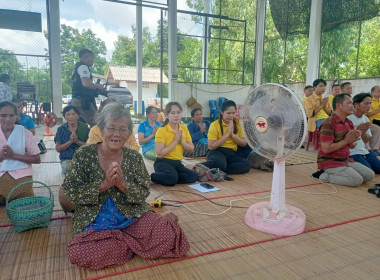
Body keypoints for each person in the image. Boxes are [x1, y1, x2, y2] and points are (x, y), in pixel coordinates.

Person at [62, 103, 189, 269]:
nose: (116, 134)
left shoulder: (134, 158)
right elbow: (71, 192)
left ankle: (121, 242)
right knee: (79, 252)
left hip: (130, 215)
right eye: (111, 128)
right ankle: (137, 242)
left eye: (123, 129)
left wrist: (122, 184)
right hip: (96, 219)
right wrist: (104, 185)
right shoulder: (84, 154)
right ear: (101, 130)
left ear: (129, 133)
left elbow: (143, 191)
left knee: (170, 235)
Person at [312, 94, 375, 187]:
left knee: (369, 175)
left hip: (345, 160)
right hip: (330, 161)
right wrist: (346, 141)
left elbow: (352, 145)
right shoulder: (328, 123)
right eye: (349, 103)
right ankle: (323, 175)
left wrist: (359, 133)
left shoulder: (348, 122)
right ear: (338, 105)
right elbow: (326, 149)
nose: (352, 106)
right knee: (357, 180)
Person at [0, 101, 41, 205]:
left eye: (11, 115)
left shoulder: (25, 133)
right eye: (3, 115)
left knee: (25, 201)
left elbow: (37, 159)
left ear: (17, 116)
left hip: (21, 174)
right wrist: (2, 156)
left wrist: (13, 156)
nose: (8, 119)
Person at [150, 102, 198, 186]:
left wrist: (182, 141)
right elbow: (160, 154)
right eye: (172, 113)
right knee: (172, 179)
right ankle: (151, 177)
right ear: (167, 115)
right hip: (163, 162)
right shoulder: (162, 130)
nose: (176, 115)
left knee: (193, 176)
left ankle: (170, 177)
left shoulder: (184, 128)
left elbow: (191, 149)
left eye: (178, 112)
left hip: (177, 163)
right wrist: (175, 141)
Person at [201, 100, 251, 174]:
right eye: (228, 113)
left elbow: (243, 144)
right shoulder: (214, 125)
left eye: (233, 113)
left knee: (246, 165)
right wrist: (227, 134)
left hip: (232, 153)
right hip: (217, 152)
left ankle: (219, 170)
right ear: (222, 112)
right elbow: (211, 147)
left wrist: (232, 135)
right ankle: (198, 166)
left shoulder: (238, 123)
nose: (231, 116)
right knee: (220, 163)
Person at [71, 49, 105, 126]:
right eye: (92, 58)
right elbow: (86, 83)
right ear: (86, 57)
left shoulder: (77, 67)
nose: (93, 61)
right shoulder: (83, 67)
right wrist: (98, 86)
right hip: (82, 102)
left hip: (77, 100)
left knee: (81, 126)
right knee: (98, 125)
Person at [347, 93, 380, 174]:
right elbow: (346, 141)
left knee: (378, 168)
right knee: (368, 171)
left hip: (363, 151)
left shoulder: (365, 118)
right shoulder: (347, 118)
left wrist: (363, 132)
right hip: (351, 152)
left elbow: (365, 140)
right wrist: (357, 131)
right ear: (356, 104)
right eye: (366, 103)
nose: (369, 106)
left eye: (370, 103)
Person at [54, 106, 89, 174]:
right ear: (65, 117)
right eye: (68, 114)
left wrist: (77, 141)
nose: (71, 117)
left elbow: (90, 147)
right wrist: (70, 142)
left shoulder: (85, 128)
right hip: (67, 160)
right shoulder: (61, 130)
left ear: (78, 116)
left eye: (73, 114)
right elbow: (58, 149)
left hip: (83, 159)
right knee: (72, 171)